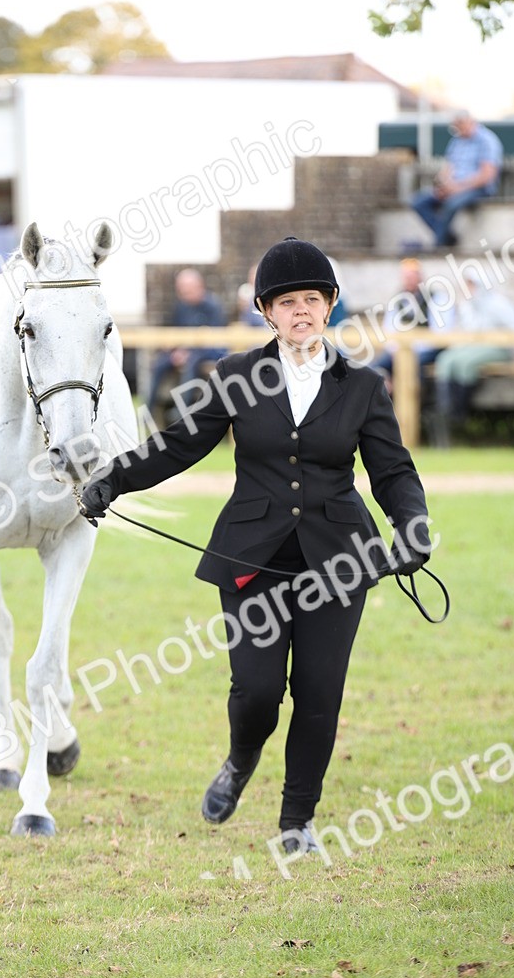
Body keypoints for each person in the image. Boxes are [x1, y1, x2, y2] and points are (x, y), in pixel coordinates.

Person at [80, 236, 431, 856]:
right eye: (288, 302)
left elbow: (393, 472)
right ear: (266, 312)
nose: (301, 312)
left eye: (312, 300)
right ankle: (240, 760)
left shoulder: (363, 387)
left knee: (320, 693)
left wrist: (414, 522)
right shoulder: (236, 376)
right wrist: (115, 478)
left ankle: (296, 821)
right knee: (258, 692)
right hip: (253, 558)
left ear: (329, 307)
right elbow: (179, 444)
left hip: (339, 561)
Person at [432, 268, 514, 446]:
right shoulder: (468, 305)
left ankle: (460, 415)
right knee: (445, 360)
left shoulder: (498, 303)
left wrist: (499, 338)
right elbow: (467, 331)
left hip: (498, 349)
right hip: (472, 347)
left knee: (464, 364)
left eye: (471, 284)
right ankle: (444, 410)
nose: (468, 288)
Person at [411, 111, 503, 249]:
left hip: (476, 188)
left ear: (468, 122)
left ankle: (439, 245)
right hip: (453, 187)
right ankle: (447, 237)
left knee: (451, 204)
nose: (457, 130)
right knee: (419, 202)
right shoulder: (457, 141)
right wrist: (445, 185)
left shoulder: (487, 140)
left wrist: (458, 188)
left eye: (459, 126)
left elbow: (487, 175)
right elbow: (448, 168)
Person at [146, 268, 228, 417]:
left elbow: (214, 337)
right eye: (181, 291)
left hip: (208, 352)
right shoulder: (181, 306)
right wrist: (175, 349)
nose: (184, 294)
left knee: (191, 362)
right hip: (184, 351)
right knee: (159, 363)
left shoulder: (213, 306)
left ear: (199, 286)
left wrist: (187, 351)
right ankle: (149, 411)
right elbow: (177, 332)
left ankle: (181, 410)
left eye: (187, 290)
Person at [371, 256, 454, 391]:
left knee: (412, 365)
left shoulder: (437, 298)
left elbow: (441, 332)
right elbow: (389, 329)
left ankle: (420, 405)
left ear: (420, 277)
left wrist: (414, 346)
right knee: (376, 368)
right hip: (401, 348)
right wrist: (395, 348)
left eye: (412, 276)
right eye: (406, 276)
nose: (409, 280)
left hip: (429, 349)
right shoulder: (398, 300)